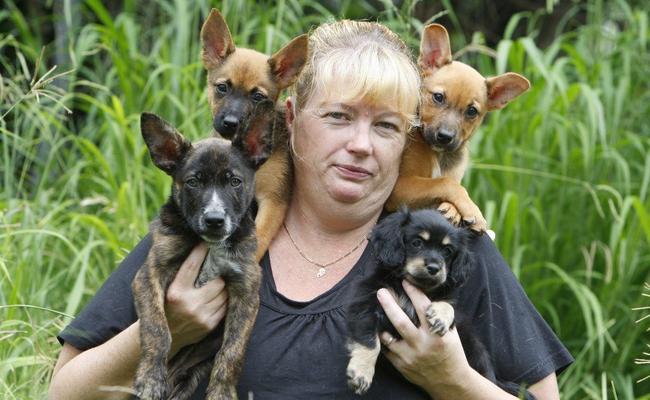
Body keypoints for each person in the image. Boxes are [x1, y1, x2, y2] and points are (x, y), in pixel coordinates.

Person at [49, 20, 572, 400]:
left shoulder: (448, 244)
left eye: (387, 126)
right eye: (339, 117)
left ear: (409, 135)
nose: (361, 145)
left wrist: (452, 380)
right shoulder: (216, 219)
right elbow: (62, 392)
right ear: (290, 118)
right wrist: (167, 329)